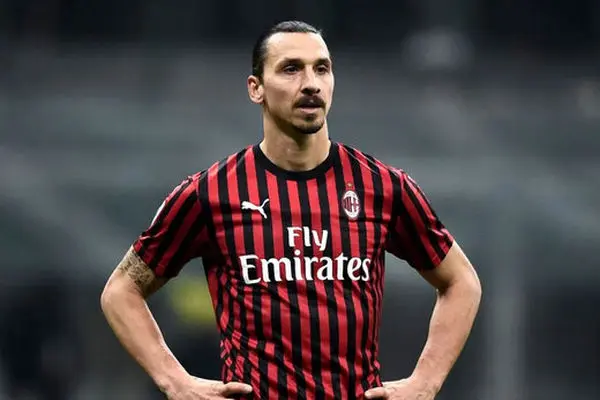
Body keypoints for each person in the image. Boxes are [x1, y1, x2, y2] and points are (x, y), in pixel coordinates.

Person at [100, 20, 482, 400]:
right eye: (291, 69)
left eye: (322, 68)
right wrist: (175, 382)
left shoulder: (383, 188)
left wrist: (426, 382)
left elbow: (461, 282)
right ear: (256, 89)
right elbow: (121, 290)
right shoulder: (210, 194)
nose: (311, 83)